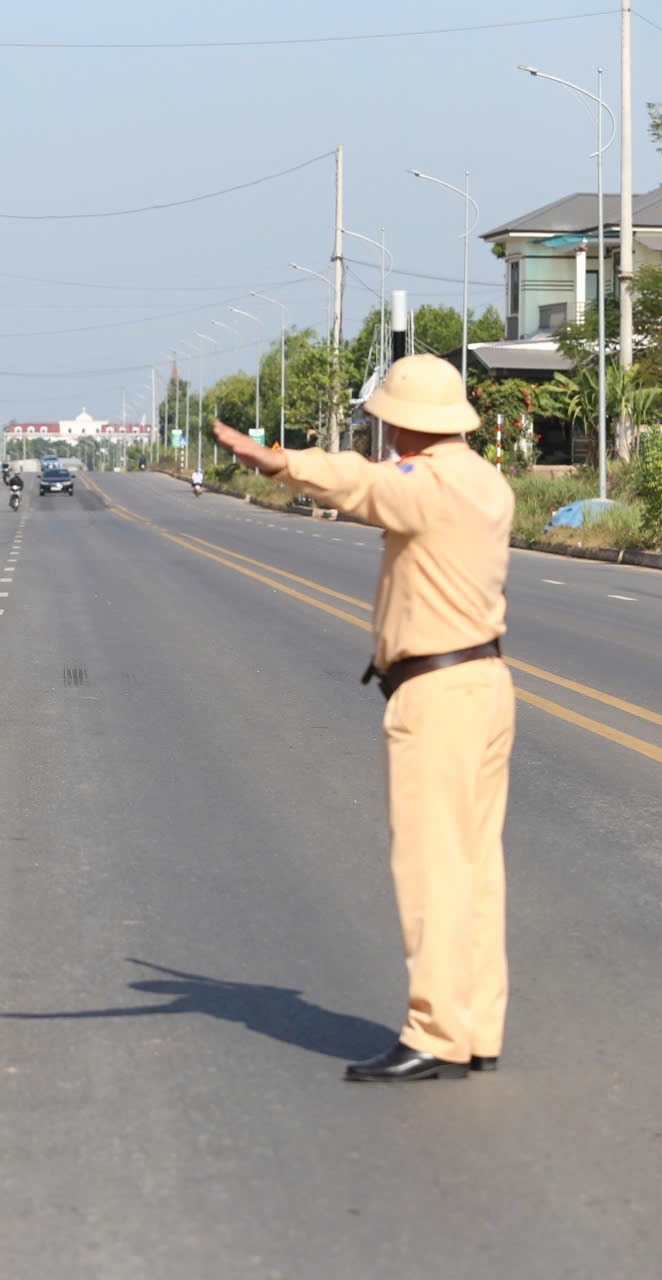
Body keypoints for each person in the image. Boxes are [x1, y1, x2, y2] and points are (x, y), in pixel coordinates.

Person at [212, 354, 515, 1084]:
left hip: (437, 696)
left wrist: (277, 461)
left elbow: (363, 482)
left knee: (430, 867)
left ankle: (435, 1033)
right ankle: (476, 1027)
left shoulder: (430, 482)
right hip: (485, 683)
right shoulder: (485, 479)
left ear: (407, 424)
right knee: (476, 868)